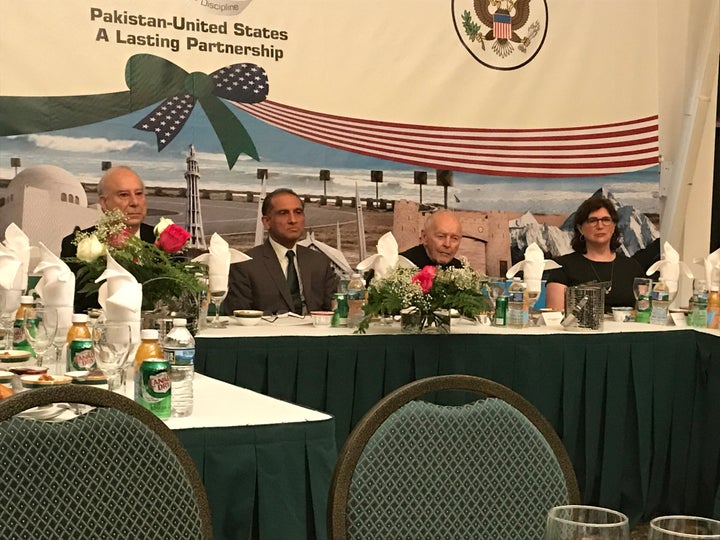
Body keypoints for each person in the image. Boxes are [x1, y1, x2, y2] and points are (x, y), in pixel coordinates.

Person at [223, 188, 337, 315]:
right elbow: (238, 319)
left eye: (298, 212)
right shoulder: (245, 264)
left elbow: (334, 311)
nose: (293, 220)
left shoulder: (319, 262)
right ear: (266, 222)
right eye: (283, 213)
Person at [60, 166, 155, 311]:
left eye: (139, 193)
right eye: (124, 195)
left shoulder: (165, 242)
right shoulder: (76, 245)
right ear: (104, 203)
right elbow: (77, 302)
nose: (135, 202)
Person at [545, 196, 646, 313]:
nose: (600, 226)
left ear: (614, 227)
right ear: (580, 228)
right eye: (592, 220)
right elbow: (555, 317)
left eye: (606, 220)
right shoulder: (561, 267)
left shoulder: (632, 267)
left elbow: (644, 311)